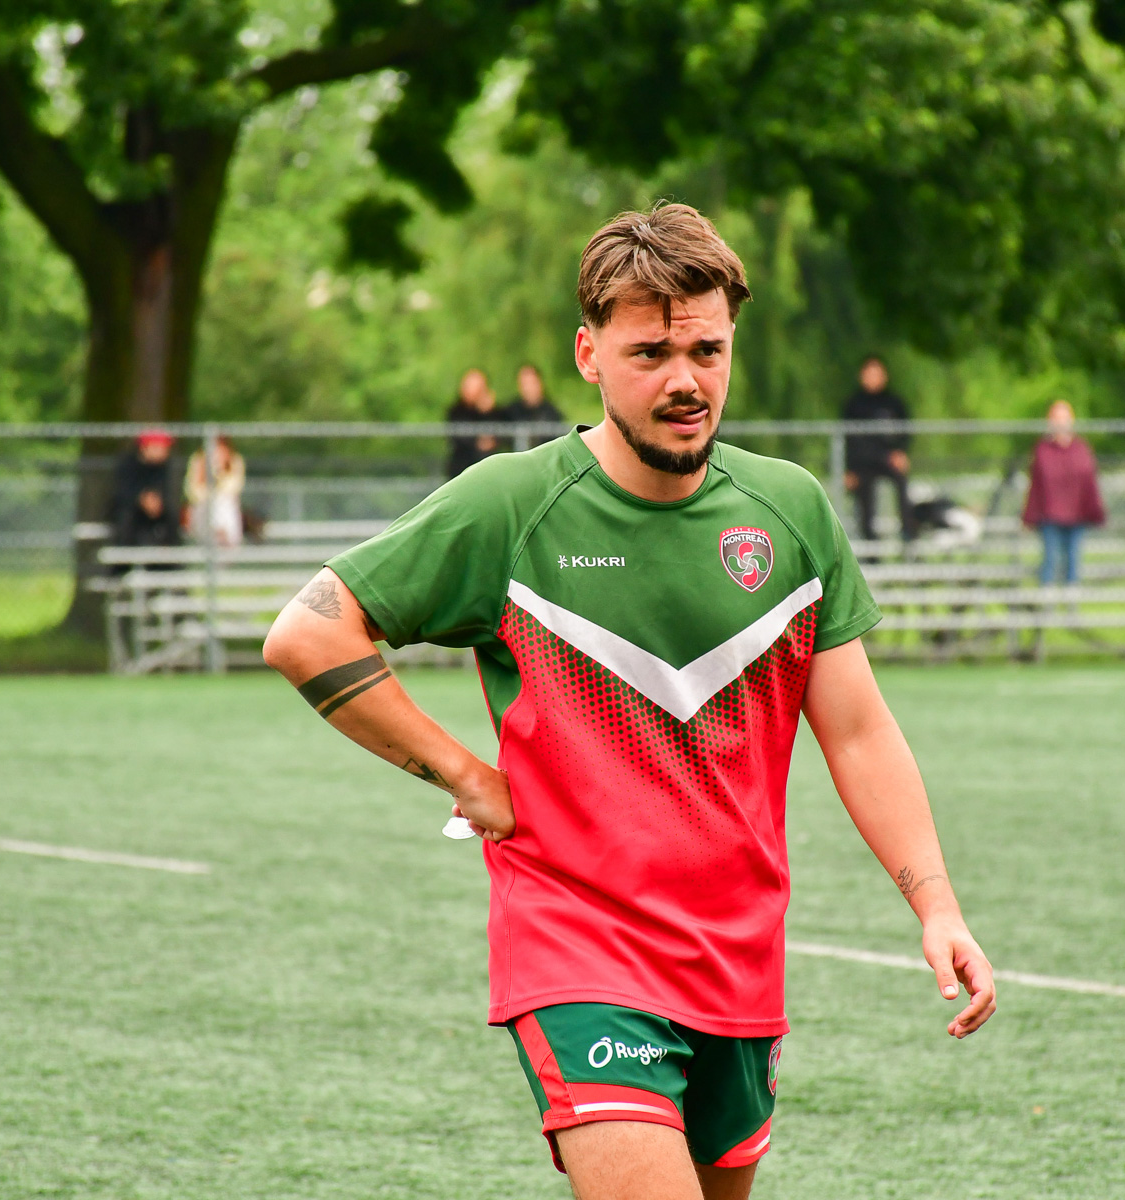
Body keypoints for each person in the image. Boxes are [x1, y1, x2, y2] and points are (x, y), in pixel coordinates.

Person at [262, 202, 994, 1200]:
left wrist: (937, 904)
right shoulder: (512, 505)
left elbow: (859, 732)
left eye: (707, 349)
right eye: (650, 351)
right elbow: (308, 633)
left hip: (738, 961)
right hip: (579, 949)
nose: (686, 381)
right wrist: (464, 774)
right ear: (589, 354)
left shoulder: (792, 515)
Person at [1021, 400, 1105, 585]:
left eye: (1064, 419)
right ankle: (1047, 607)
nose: (1060, 424)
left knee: (1073, 562)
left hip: (1076, 515)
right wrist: (1029, 516)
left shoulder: (1080, 449)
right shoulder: (1043, 450)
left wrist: (1096, 512)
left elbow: (1089, 482)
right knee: (1050, 561)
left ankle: (1071, 607)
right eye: (1055, 419)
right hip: (1049, 516)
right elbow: (1035, 486)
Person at [840, 356, 913, 541]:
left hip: (888, 459)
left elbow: (906, 432)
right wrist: (849, 469)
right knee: (864, 496)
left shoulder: (894, 403)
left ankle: (909, 534)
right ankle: (870, 546)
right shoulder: (853, 404)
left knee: (902, 481)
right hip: (863, 463)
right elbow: (846, 440)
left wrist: (902, 453)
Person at [109, 430, 182, 555]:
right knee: (126, 516)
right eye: (159, 447)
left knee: (172, 514)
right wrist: (141, 500)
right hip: (132, 516)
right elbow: (121, 494)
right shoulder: (127, 464)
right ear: (144, 448)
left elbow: (168, 493)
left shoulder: (166, 467)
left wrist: (158, 503)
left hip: (156, 516)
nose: (165, 451)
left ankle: (172, 562)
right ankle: (122, 565)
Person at [184, 435, 246, 547]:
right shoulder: (198, 460)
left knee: (223, 501)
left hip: (227, 513)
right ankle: (218, 534)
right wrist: (206, 474)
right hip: (202, 511)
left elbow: (233, 487)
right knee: (213, 503)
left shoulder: (235, 460)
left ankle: (221, 534)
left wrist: (218, 474)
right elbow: (193, 493)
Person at [445, 368, 501, 477]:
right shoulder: (456, 411)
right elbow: (458, 437)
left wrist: (487, 412)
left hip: (487, 470)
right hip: (460, 468)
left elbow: (497, 434)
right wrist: (477, 442)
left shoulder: (493, 412)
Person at [500, 363, 566, 445]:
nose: (528, 388)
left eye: (531, 383)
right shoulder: (511, 411)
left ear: (540, 383)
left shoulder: (551, 413)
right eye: (524, 384)